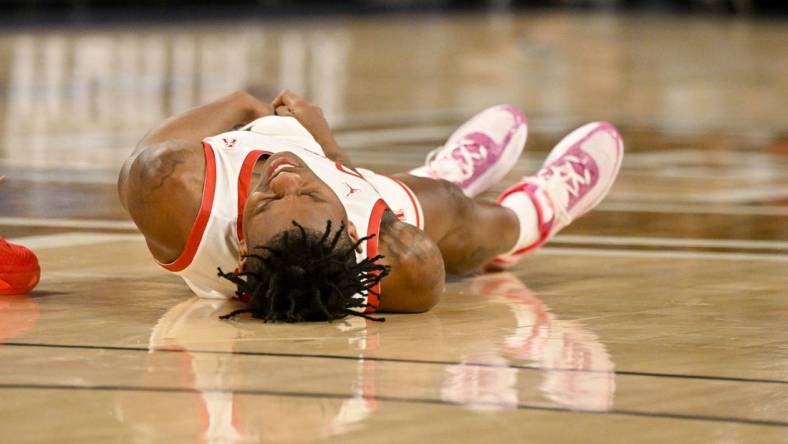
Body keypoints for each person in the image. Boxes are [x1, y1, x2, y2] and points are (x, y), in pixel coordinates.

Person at [118, 90, 623, 322]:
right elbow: (342, 180)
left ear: (245, 245)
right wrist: (329, 153)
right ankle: (535, 214)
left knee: (432, 194)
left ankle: (440, 174)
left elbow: (242, 104)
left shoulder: (170, 187)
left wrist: (257, 113)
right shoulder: (389, 252)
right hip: (348, 191)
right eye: (301, 191)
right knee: (451, 211)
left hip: (315, 187)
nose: (287, 177)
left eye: (268, 198)